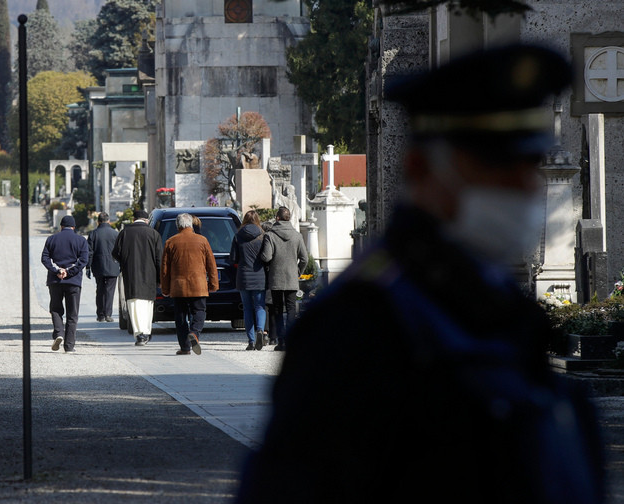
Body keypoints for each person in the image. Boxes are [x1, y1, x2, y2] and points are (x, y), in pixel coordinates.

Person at [237, 44, 605, 503]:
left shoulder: (498, 307)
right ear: (421, 168)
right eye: (493, 165)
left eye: (529, 165)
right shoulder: (359, 323)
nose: (522, 186)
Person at [160, 213, 219, 355]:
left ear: (178, 225)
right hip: (198, 285)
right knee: (199, 311)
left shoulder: (170, 242)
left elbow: (165, 269)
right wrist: (213, 284)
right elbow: (211, 264)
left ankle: (185, 347)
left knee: (180, 316)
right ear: (191, 225)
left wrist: (165, 288)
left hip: (178, 287)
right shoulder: (202, 240)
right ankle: (195, 333)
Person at [260, 206, 308, 351]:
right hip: (292, 277)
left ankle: (280, 341)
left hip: (276, 277)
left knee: (277, 310)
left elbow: (266, 256)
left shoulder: (270, 235)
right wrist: (299, 271)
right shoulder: (297, 235)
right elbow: (304, 258)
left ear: (277, 218)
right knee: (292, 309)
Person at [112, 209, 162, 346]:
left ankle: (140, 334)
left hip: (131, 274)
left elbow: (115, 252)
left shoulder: (125, 233)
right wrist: (160, 279)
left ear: (134, 219)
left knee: (134, 304)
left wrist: (124, 261)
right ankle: (146, 331)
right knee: (147, 304)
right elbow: (159, 259)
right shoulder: (154, 234)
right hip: (149, 275)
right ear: (146, 220)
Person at [41, 215, 89, 353]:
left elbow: (44, 258)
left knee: (55, 309)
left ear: (61, 226)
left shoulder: (51, 239)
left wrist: (56, 270)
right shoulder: (80, 240)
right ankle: (69, 346)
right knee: (72, 314)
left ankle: (58, 333)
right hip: (73, 282)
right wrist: (70, 272)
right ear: (74, 227)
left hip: (55, 280)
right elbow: (83, 260)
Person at [230, 210, 268, 350]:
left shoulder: (238, 236)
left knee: (247, 308)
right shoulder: (262, 236)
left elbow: (233, 258)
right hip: (259, 275)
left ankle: (251, 341)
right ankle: (260, 330)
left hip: (243, 276)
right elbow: (267, 256)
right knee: (259, 306)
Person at [86, 212, 120, 322]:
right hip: (113, 265)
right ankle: (108, 314)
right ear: (109, 221)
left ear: (98, 221)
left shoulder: (93, 234)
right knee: (110, 290)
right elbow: (120, 251)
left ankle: (100, 314)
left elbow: (89, 252)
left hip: (98, 265)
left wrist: (88, 267)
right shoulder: (115, 234)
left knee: (100, 289)